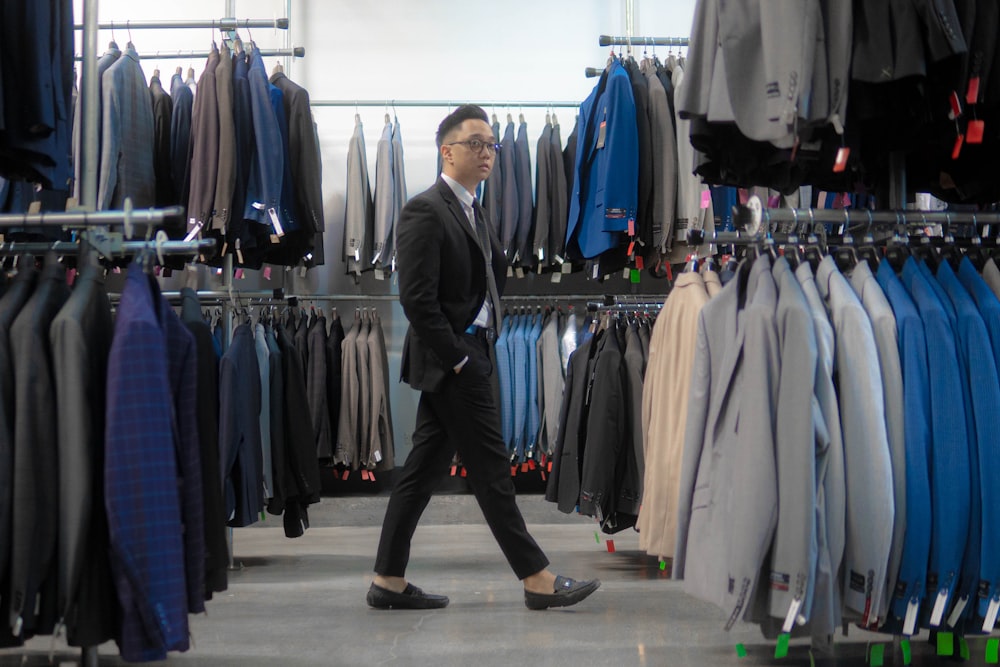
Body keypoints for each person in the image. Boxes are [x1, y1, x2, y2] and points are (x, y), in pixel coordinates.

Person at [367, 105, 600, 611]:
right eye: (477, 143)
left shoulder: (474, 209)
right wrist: (458, 360)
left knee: (422, 472)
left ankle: (386, 579)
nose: (488, 152)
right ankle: (536, 577)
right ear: (446, 151)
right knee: (492, 471)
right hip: (456, 360)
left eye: (492, 144)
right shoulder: (424, 209)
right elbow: (417, 301)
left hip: (473, 352)